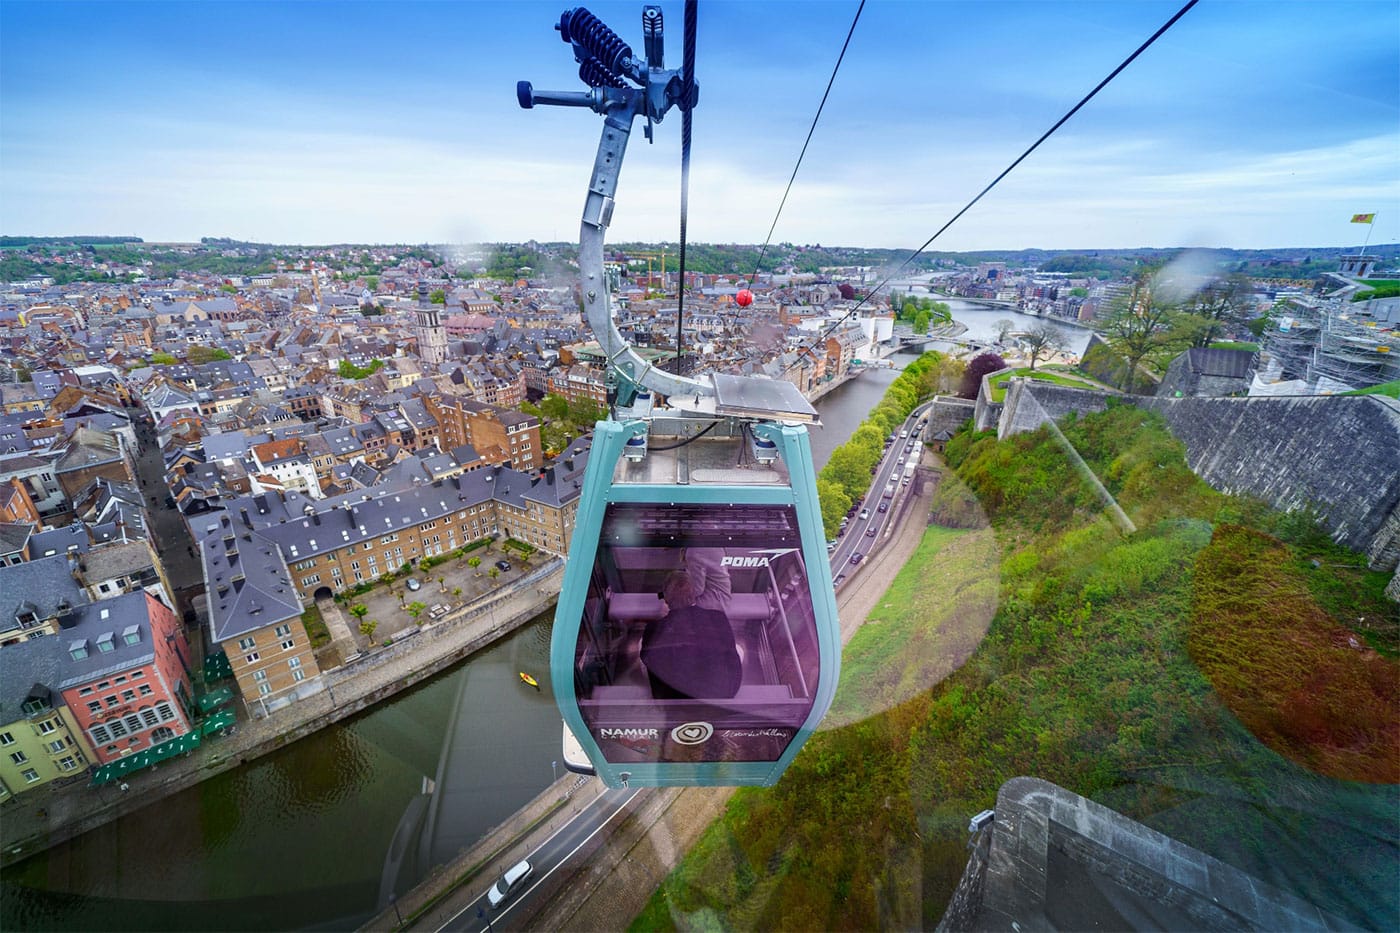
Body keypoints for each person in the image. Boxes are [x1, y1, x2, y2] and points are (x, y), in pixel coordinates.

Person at [641, 572, 741, 700]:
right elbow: (731, 653)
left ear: (666, 600)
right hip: (723, 694)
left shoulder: (654, 628)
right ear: (694, 596)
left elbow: (646, 659)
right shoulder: (718, 618)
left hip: (673, 699)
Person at [683, 547, 732, 614]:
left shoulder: (694, 550)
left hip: (710, 606)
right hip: (723, 599)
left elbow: (697, 589)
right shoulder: (714, 544)